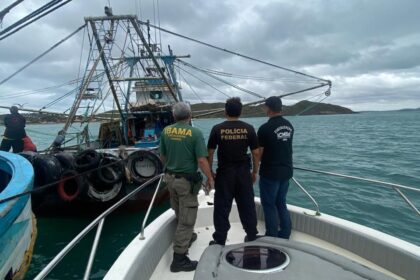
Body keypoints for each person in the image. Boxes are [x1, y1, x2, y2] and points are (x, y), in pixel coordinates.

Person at [160, 102, 214, 272]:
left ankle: (188, 237)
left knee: (178, 209)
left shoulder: (166, 131)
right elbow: (201, 160)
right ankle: (179, 259)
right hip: (185, 182)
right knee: (187, 218)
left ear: (174, 116)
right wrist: (210, 177)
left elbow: (162, 156)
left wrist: (171, 167)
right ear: (190, 115)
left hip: (170, 178)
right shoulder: (195, 133)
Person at [207, 97, 260, 245]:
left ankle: (220, 239)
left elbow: (210, 152)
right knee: (247, 205)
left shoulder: (217, 129)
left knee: (222, 207)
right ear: (240, 111)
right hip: (243, 173)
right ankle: (251, 235)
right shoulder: (249, 128)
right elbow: (256, 153)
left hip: (224, 173)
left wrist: (210, 172)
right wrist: (255, 172)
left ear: (225, 111)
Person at [257, 96, 294, 239]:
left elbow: (259, 152)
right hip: (286, 171)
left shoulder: (265, 128)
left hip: (270, 172)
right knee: (281, 203)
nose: (264, 109)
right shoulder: (289, 125)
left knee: (269, 204)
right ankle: (285, 233)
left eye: (264, 106)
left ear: (269, 108)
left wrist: (254, 169)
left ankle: (271, 235)